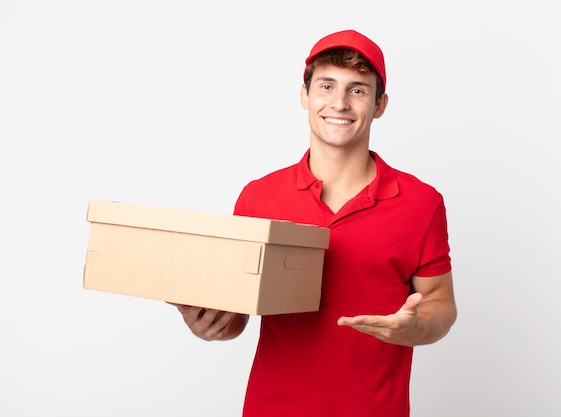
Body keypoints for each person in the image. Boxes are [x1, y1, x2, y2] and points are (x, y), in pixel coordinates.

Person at [173, 29, 457, 417]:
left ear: (379, 104)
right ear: (305, 95)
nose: (339, 103)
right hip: (273, 408)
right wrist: (209, 324)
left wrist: (414, 327)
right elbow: (236, 315)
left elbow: (441, 303)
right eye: (326, 86)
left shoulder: (421, 203)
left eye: (357, 90)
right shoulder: (259, 196)